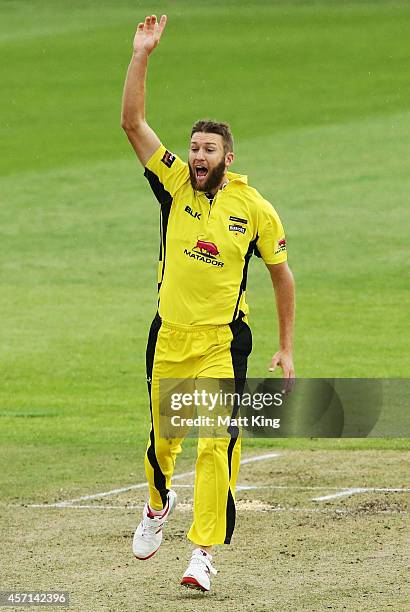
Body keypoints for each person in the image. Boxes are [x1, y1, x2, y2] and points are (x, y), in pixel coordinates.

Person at [121, 14, 295, 592]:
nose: (197, 155)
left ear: (227, 156)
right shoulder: (173, 186)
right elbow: (133, 123)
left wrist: (286, 346)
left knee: (215, 443)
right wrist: (142, 53)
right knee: (163, 442)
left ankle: (202, 555)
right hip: (170, 336)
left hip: (223, 342)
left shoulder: (254, 208)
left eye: (207, 149)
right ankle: (156, 504)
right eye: (193, 147)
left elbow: (281, 274)